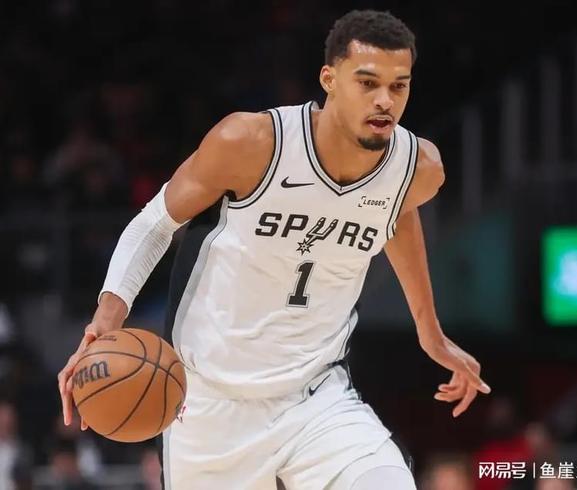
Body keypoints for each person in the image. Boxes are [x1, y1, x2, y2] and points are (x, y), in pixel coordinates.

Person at [58, 9, 491, 490]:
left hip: (317, 397)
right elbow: (154, 223)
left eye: (399, 86)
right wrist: (106, 320)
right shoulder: (252, 143)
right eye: (367, 83)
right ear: (329, 79)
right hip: (209, 405)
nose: (385, 101)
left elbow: (396, 212)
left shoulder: (419, 169)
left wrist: (430, 332)